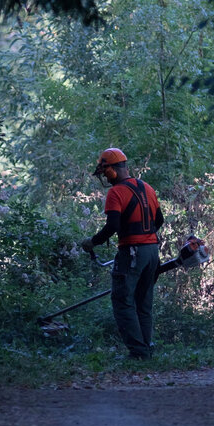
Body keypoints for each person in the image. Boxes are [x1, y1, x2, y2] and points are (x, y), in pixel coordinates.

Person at [81, 148, 164, 359]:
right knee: (143, 303)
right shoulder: (148, 188)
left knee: (122, 300)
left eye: (104, 172)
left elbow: (112, 226)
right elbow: (159, 221)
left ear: (111, 170)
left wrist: (92, 242)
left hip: (132, 252)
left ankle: (138, 352)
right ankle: (147, 348)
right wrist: (146, 239)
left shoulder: (116, 193)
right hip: (152, 251)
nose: (104, 178)